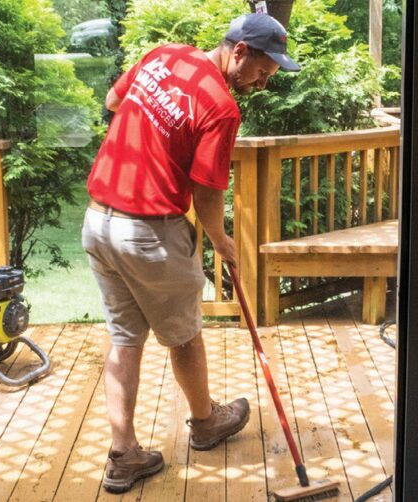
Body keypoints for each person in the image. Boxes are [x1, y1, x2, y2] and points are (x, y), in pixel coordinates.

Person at [81, 13, 300, 493]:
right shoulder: (221, 106)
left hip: (99, 222)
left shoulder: (166, 55)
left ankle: (124, 455)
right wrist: (221, 240)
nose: (262, 83)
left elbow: (113, 101)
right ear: (238, 51)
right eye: (262, 71)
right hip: (149, 232)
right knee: (183, 335)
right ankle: (206, 422)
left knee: (124, 338)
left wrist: (152, 139)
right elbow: (206, 190)